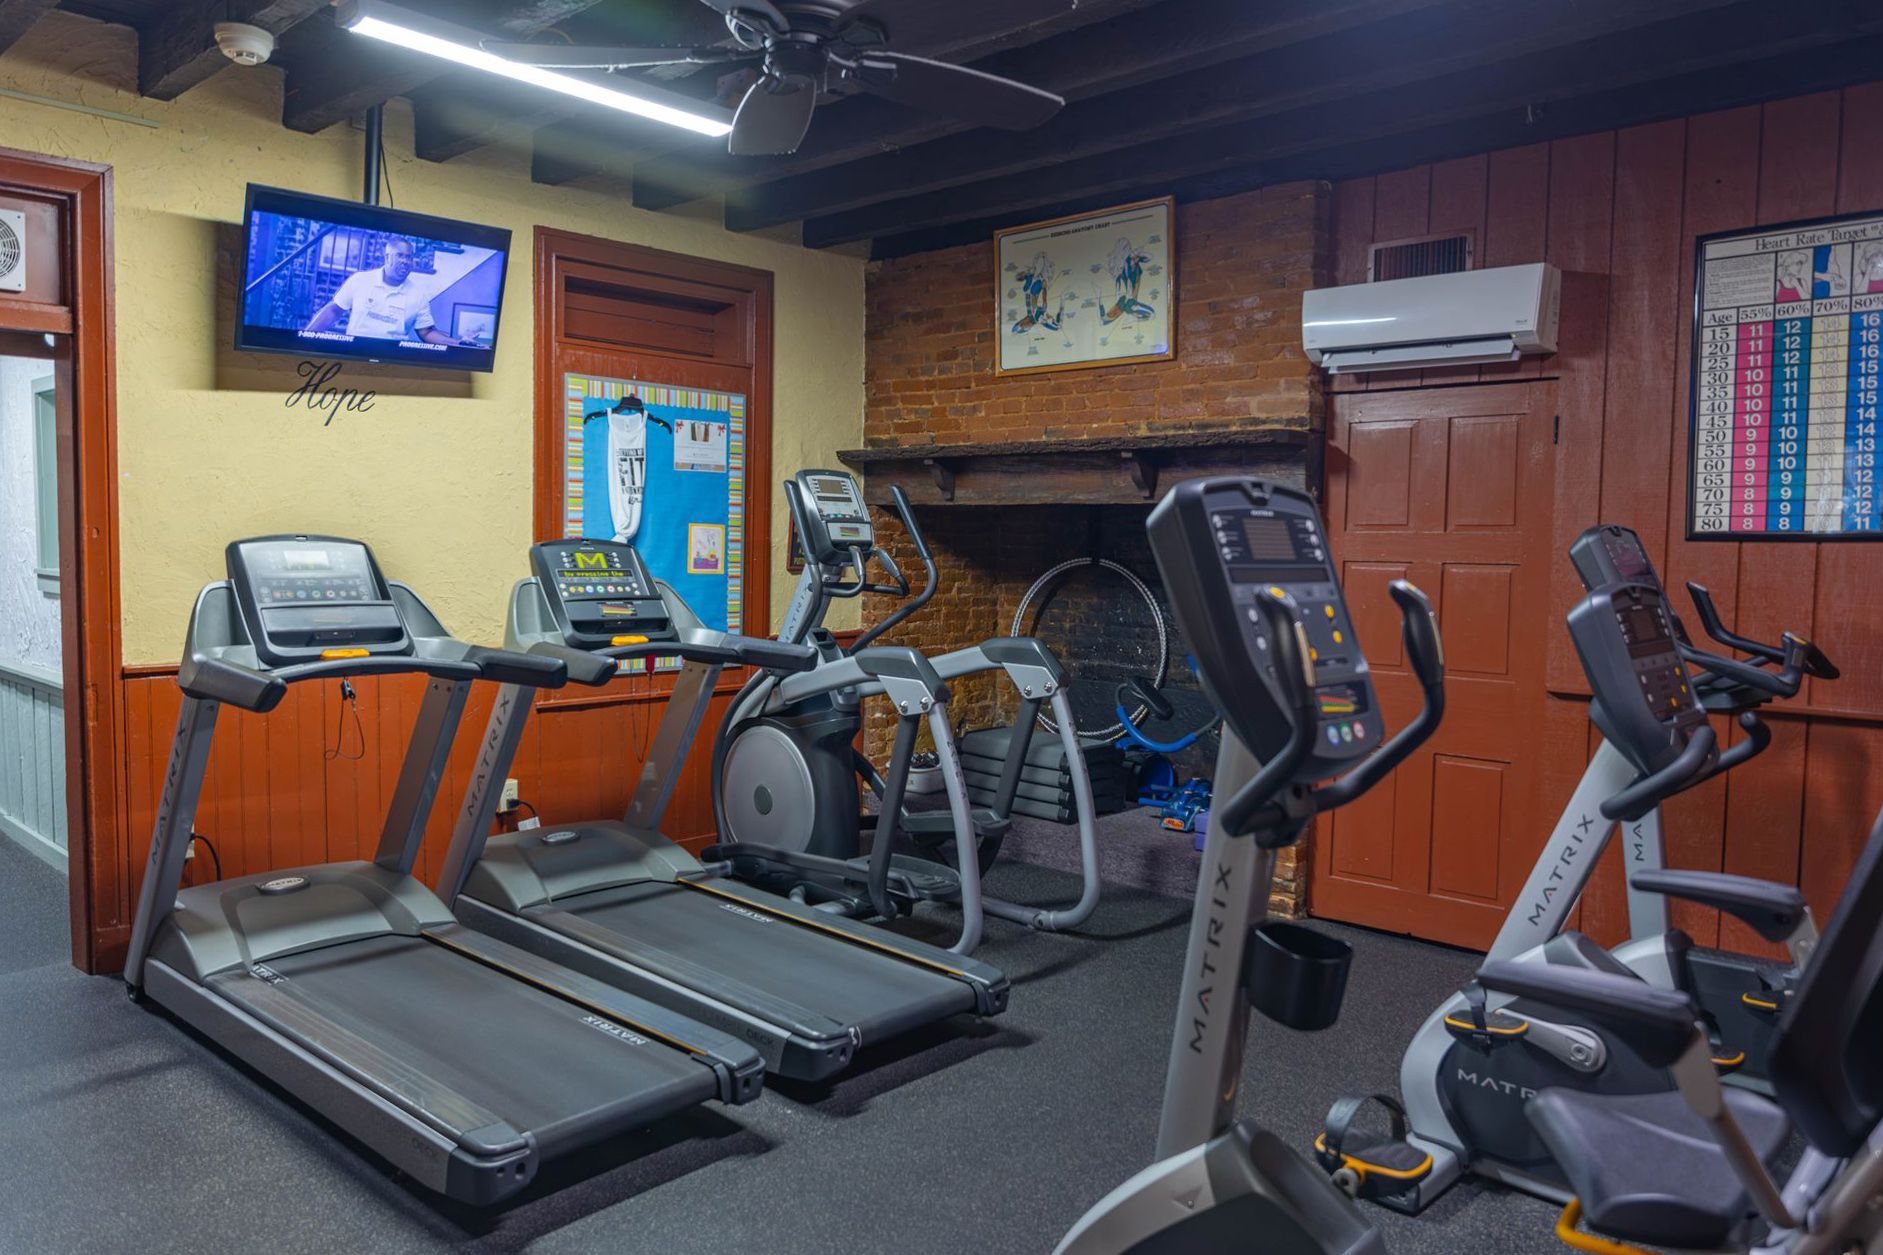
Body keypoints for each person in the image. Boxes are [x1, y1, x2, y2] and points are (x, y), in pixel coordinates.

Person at [303, 238, 465, 345]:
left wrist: (457, 343)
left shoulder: (418, 295)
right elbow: (333, 310)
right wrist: (305, 337)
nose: (405, 261)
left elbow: (427, 332)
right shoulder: (360, 280)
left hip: (393, 358)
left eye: (409, 257)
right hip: (356, 351)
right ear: (387, 257)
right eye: (400, 256)